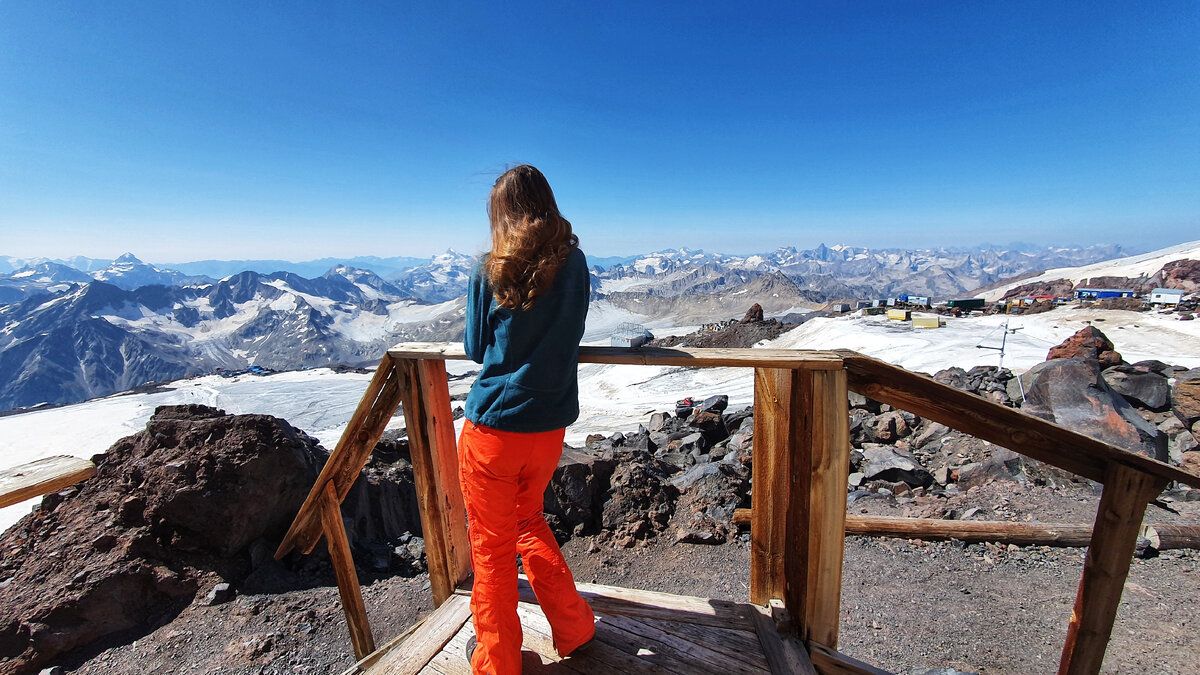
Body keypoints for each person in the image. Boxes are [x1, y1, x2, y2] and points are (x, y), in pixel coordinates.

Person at [459, 164, 596, 674]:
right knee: (529, 520)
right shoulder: (576, 262)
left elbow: (475, 348)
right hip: (548, 427)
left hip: (494, 429)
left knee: (491, 550)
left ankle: (497, 662)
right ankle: (575, 627)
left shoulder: (490, 266)